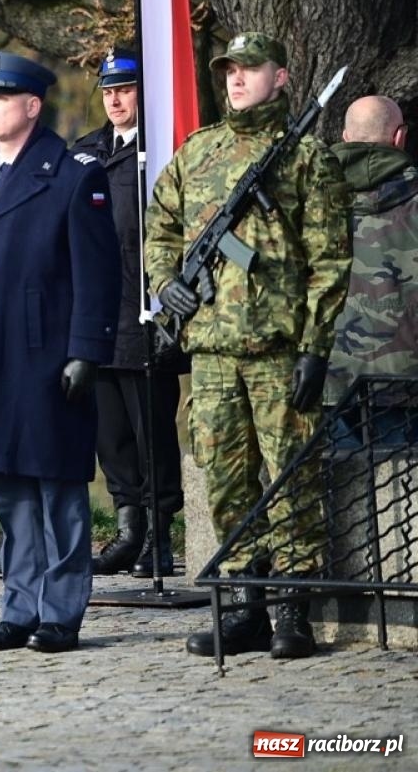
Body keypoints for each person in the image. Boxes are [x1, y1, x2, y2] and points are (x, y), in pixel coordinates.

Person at [145, 32, 350, 660]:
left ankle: (293, 611)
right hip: (211, 354)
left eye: (250, 69)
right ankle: (244, 604)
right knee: (228, 483)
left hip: (277, 348)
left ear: (280, 77)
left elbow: (330, 258)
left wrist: (316, 345)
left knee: (292, 478)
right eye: (229, 70)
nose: (236, 79)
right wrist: (166, 285)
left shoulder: (307, 158)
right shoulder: (197, 151)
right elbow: (160, 226)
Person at [0, 52, 120, 655]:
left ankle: (61, 612)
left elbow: (98, 275)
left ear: (33, 107)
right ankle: (18, 607)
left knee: (57, 488)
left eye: (1, 98)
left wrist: (86, 351)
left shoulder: (72, 175)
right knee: (11, 487)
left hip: (46, 354)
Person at [71, 50, 184, 577]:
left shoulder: (161, 151)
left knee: (151, 433)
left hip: (146, 314)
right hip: (100, 315)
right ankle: (128, 528)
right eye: (108, 90)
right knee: (110, 434)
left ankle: (159, 534)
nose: (115, 99)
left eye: (126, 89)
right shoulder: (87, 152)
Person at [326, 96, 418, 411]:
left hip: (326, 383)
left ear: (346, 137)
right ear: (399, 137)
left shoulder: (306, 203)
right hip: (407, 387)